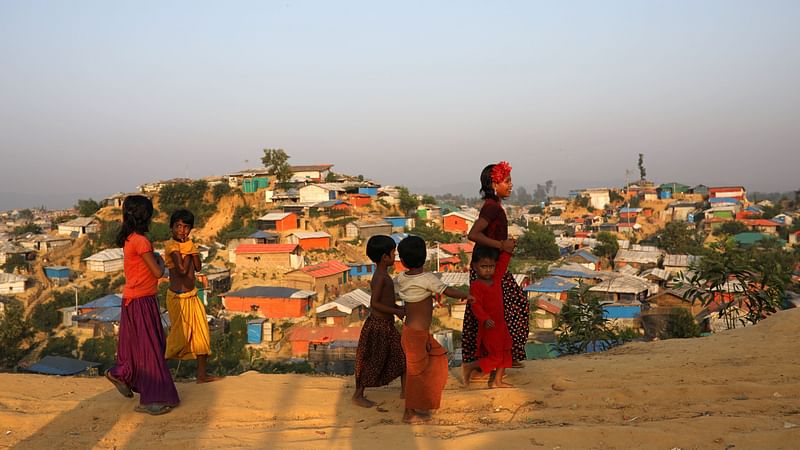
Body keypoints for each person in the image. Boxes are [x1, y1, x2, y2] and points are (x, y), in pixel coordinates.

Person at [105, 195, 179, 415]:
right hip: (142, 300)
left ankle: (121, 374)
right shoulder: (141, 241)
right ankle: (152, 399)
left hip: (132, 299)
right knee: (151, 349)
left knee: (138, 348)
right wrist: (160, 260)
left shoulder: (130, 238)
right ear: (146, 216)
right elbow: (157, 272)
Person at [394, 235, 471, 424]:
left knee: (434, 361)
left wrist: (399, 311)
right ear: (426, 257)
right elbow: (448, 291)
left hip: (413, 333)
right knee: (417, 372)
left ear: (402, 261)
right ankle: (409, 412)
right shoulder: (428, 279)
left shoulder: (402, 278)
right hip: (416, 335)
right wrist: (467, 295)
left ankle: (421, 403)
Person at [464, 161, 529, 372]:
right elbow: (473, 234)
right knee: (507, 308)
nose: (511, 185)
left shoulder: (494, 206)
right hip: (487, 268)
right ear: (494, 183)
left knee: (502, 309)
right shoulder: (492, 207)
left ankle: (504, 356)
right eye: (507, 181)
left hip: (492, 265)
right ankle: (495, 358)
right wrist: (502, 245)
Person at [164, 209, 220, 383]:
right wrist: (188, 250)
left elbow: (198, 267)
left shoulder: (189, 245)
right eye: (178, 226)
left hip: (192, 295)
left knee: (201, 334)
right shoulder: (172, 246)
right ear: (172, 227)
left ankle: (201, 376)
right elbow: (181, 270)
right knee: (179, 338)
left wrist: (191, 249)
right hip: (178, 298)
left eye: (186, 227)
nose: (182, 230)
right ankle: (155, 372)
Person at [352, 235, 406, 408]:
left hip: (386, 325)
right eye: (393, 253)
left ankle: (406, 392)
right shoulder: (381, 277)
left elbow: (385, 301)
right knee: (372, 361)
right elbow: (374, 303)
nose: (395, 256)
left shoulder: (383, 275)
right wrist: (397, 310)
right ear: (385, 257)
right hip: (379, 326)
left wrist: (397, 307)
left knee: (403, 357)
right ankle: (358, 395)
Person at [461, 246, 514, 388]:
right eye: (484, 266)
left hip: (501, 325)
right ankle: (470, 366)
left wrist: (509, 249)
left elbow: (503, 264)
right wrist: (484, 319)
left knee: (506, 352)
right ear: (474, 266)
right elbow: (475, 305)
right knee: (496, 355)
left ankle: (497, 381)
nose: (488, 270)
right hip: (489, 326)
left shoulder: (496, 278)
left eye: (491, 266)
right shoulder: (476, 286)